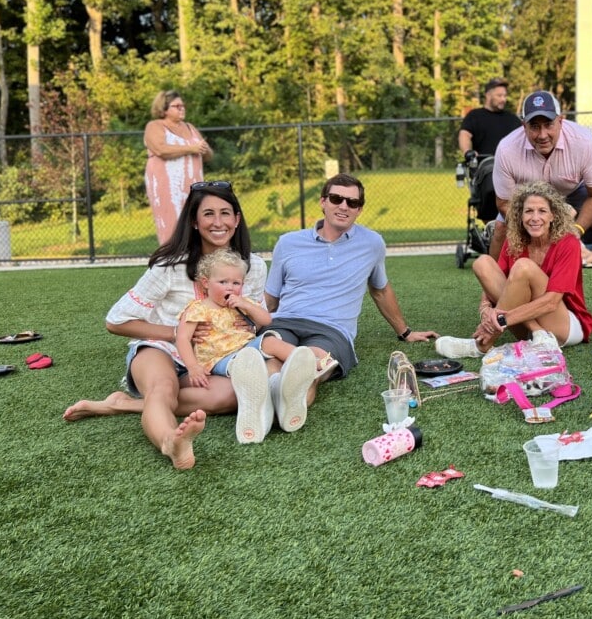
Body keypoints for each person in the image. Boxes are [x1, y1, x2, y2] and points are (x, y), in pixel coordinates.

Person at [63, 182, 266, 469]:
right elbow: (115, 321)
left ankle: (123, 404)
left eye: (225, 213)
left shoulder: (253, 266)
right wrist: (172, 334)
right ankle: (171, 441)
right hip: (161, 348)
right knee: (162, 387)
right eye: (208, 214)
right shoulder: (169, 266)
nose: (218, 222)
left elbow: (256, 318)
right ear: (194, 222)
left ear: (237, 219)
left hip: (214, 357)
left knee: (233, 394)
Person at [225, 172, 438, 437]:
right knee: (273, 362)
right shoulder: (288, 243)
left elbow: (380, 290)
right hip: (285, 320)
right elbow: (271, 298)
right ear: (323, 202)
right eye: (337, 198)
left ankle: (269, 409)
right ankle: (269, 405)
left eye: (352, 202)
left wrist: (405, 331)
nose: (344, 206)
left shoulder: (372, 244)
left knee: (311, 367)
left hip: (332, 330)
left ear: (359, 209)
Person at [489, 90, 592, 330]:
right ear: (523, 126)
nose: (542, 134)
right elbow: (504, 203)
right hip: (528, 197)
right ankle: (495, 301)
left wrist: (576, 228)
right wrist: (531, 224)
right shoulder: (507, 148)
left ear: (561, 120)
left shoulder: (584, 142)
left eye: (548, 124)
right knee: (499, 228)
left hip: (576, 191)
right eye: (534, 126)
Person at [174, 249, 338, 443]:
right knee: (246, 363)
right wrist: (193, 367)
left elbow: (266, 320)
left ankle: (309, 362)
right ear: (205, 283)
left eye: (236, 283)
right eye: (223, 282)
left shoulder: (241, 304)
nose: (230, 288)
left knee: (270, 341)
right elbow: (182, 339)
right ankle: (255, 398)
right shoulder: (197, 309)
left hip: (246, 346)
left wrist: (247, 306)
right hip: (220, 358)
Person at [435, 181, 592, 357]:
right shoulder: (515, 241)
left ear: (553, 216)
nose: (535, 218)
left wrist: (500, 319)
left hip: (566, 325)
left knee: (523, 267)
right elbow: (499, 285)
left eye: (542, 211)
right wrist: (485, 308)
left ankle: (482, 345)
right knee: (483, 263)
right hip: (529, 326)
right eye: (528, 211)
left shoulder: (568, 242)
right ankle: (538, 333)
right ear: (519, 215)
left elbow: (551, 302)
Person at [144, 90, 214, 244]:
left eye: (183, 105)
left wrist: (204, 149)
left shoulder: (190, 127)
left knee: (195, 224)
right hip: (167, 186)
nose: (182, 108)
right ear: (164, 109)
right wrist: (191, 148)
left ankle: (194, 262)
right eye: (177, 106)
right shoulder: (155, 126)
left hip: (193, 187)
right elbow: (160, 149)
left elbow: (208, 154)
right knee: (172, 225)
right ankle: (171, 262)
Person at [458, 77, 523, 161]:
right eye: (499, 96)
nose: (503, 99)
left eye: (505, 96)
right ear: (488, 95)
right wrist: (468, 152)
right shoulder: (475, 116)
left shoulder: (512, 119)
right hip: (483, 168)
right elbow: (465, 135)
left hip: (508, 168)